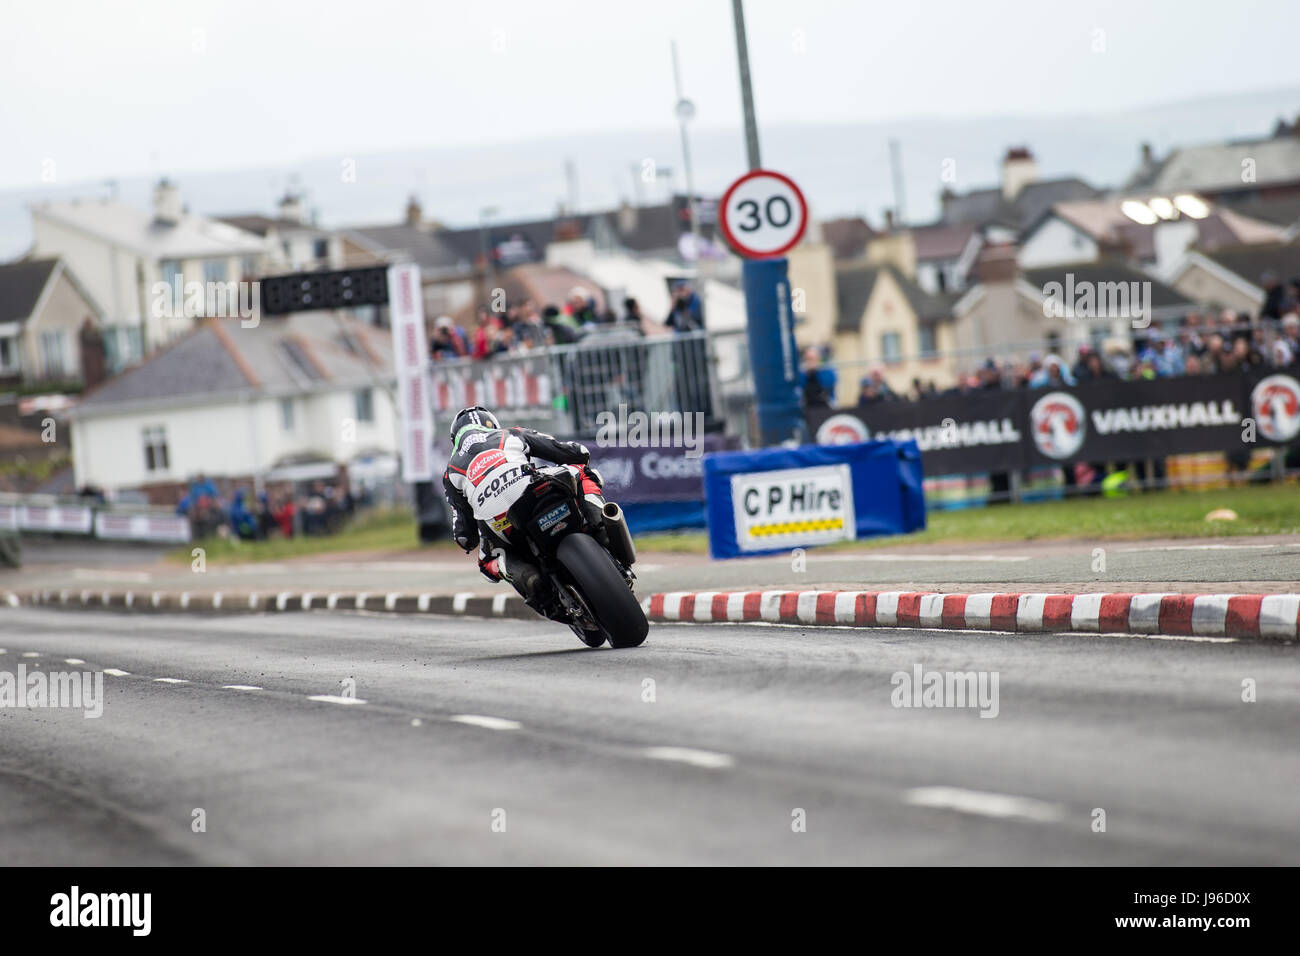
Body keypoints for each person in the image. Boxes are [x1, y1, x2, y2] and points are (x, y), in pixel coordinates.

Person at [441, 405, 609, 616]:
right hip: (532, 489)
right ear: (492, 425)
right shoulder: (510, 434)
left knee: (487, 563)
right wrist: (578, 452)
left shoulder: (450, 472)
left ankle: (528, 578)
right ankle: (602, 521)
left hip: (500, 520)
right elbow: (575, 453)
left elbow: (465, 537)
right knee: (582, 472)